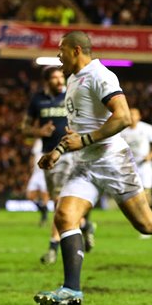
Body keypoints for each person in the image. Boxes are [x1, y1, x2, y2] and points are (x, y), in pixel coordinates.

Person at [34, 30, 152, 305]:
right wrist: (57, 152)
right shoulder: (72, 80)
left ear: (76, 51)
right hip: (84, 162)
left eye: (61, 50)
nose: (58, 56)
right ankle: (72, 290)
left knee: (147, 223)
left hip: (112, 161)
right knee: (64, 216)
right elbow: (78, 129)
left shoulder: (99, 76)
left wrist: (84, 140)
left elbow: (123, 117)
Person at [21, 66, 96, 265]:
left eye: (60, 77)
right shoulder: (37, 100)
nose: (59, 81)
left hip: (72, 154)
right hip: (50, 157)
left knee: (60, 203)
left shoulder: (72, 95)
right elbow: (24, 128)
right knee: (61, 203)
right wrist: (39, 131)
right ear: (47, 81)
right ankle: (85, 224)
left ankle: (53, 248)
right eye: (54, 78)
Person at [119, 108, 152, 213]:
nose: (132, 117)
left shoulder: (147, 128)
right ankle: (150, 210)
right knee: (134, 194)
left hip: (144, 165)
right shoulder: (121, 131)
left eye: (134, 115)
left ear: (139, 116)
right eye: (130, 115)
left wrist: (150, 156)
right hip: (128, 166)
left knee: (146, 193)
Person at [25, 138, 50, 227]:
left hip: (45, 173)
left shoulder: (50, 141)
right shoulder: (38, 141)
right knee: (30, 196)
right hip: (36, 172)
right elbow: (33, 156)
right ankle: (43, 210)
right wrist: (31, 167)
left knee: (45, 196)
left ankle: (45, 216)